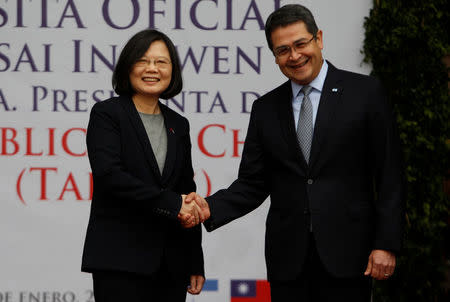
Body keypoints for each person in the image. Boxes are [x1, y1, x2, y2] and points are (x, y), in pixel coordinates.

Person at [182, 4, 404, 302]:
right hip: (288, 260)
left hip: (350, 256)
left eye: (301, 44)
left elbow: (390, 173)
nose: (295, 56)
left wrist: (386, 243)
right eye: (283, 49)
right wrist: (210, 207)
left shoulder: (365, 93)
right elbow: (253, 183)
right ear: (275, 56)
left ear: (319, 39)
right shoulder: (266, 109)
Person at [81, 29, 209, 302]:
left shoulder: (179, 124)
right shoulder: (107, 114)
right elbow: (110, 176)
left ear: (172, 71)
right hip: (120, 260)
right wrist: (173, 203)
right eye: (143, 60)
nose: (152, 69)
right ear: (128, 67)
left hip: (171, 263)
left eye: (161, 62)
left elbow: (187, 190)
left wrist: (194, 259)